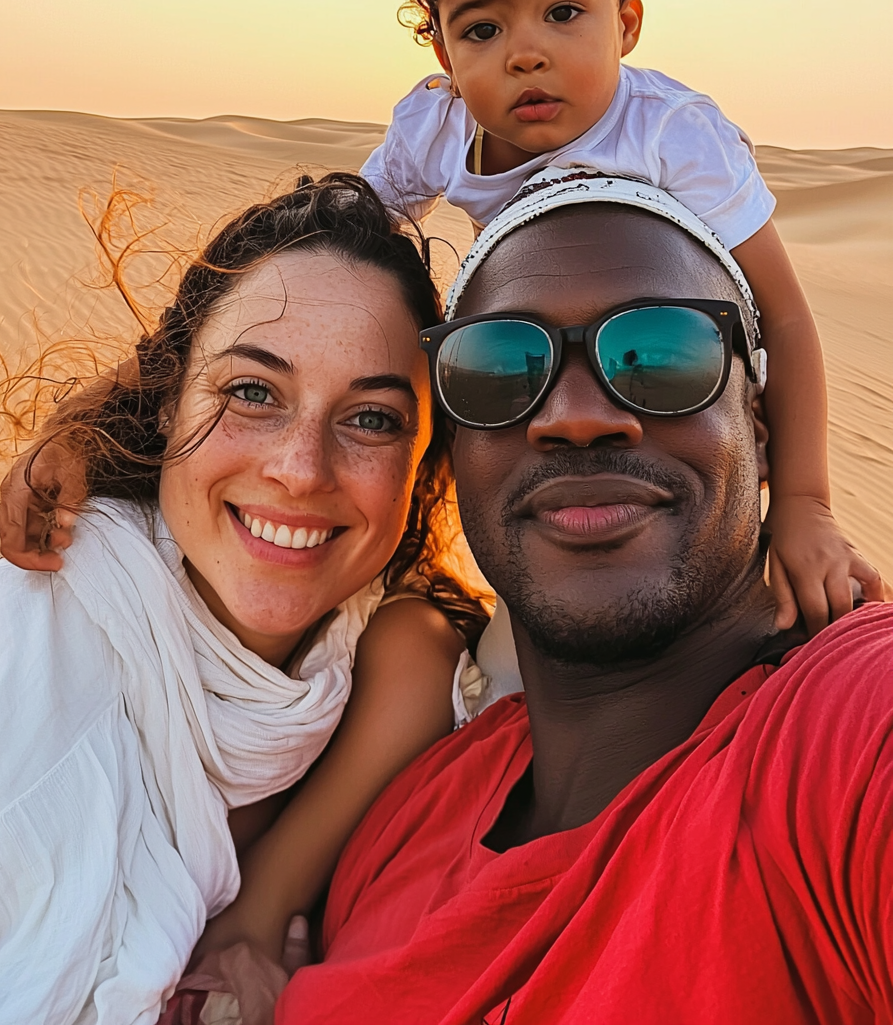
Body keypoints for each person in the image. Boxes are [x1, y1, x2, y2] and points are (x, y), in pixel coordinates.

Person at [276, 168, 893, 1025]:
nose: (573, 415)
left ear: (757, 419)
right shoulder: (402, 814)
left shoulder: (846, 733)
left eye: (662, 355)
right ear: (454, 452)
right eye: (499, 368)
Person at [0, 174, 487, 1025]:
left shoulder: (420, 695)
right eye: (252, 392)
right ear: (167, 400)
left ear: (426, 463)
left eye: (373, 420)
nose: (300, 468)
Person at [361, 0, 883, 628]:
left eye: (563, 11)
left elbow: (783, 314)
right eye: (481, 30)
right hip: (531, 387)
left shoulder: (672, 134)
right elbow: (351, 232)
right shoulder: (436, 128)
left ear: (626, 21)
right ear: (440, 44)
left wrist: (806, 502)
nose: (525, 53)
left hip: (685, 401)